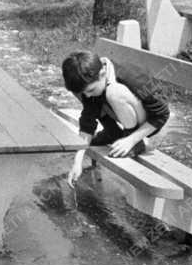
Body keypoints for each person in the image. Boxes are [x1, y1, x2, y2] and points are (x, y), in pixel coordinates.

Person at [61, 50, 169, 187]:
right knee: (89, 96)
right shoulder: (94, 81)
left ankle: (134, 141)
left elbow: (162, 114)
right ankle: (112, 132)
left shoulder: (131, 77)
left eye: (91, 90)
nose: (87, 96)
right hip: (123, 113)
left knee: (113, 93)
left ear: (102, 74)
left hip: (148, 121)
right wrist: (77, 162)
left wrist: (131, 140)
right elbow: (88, 121)